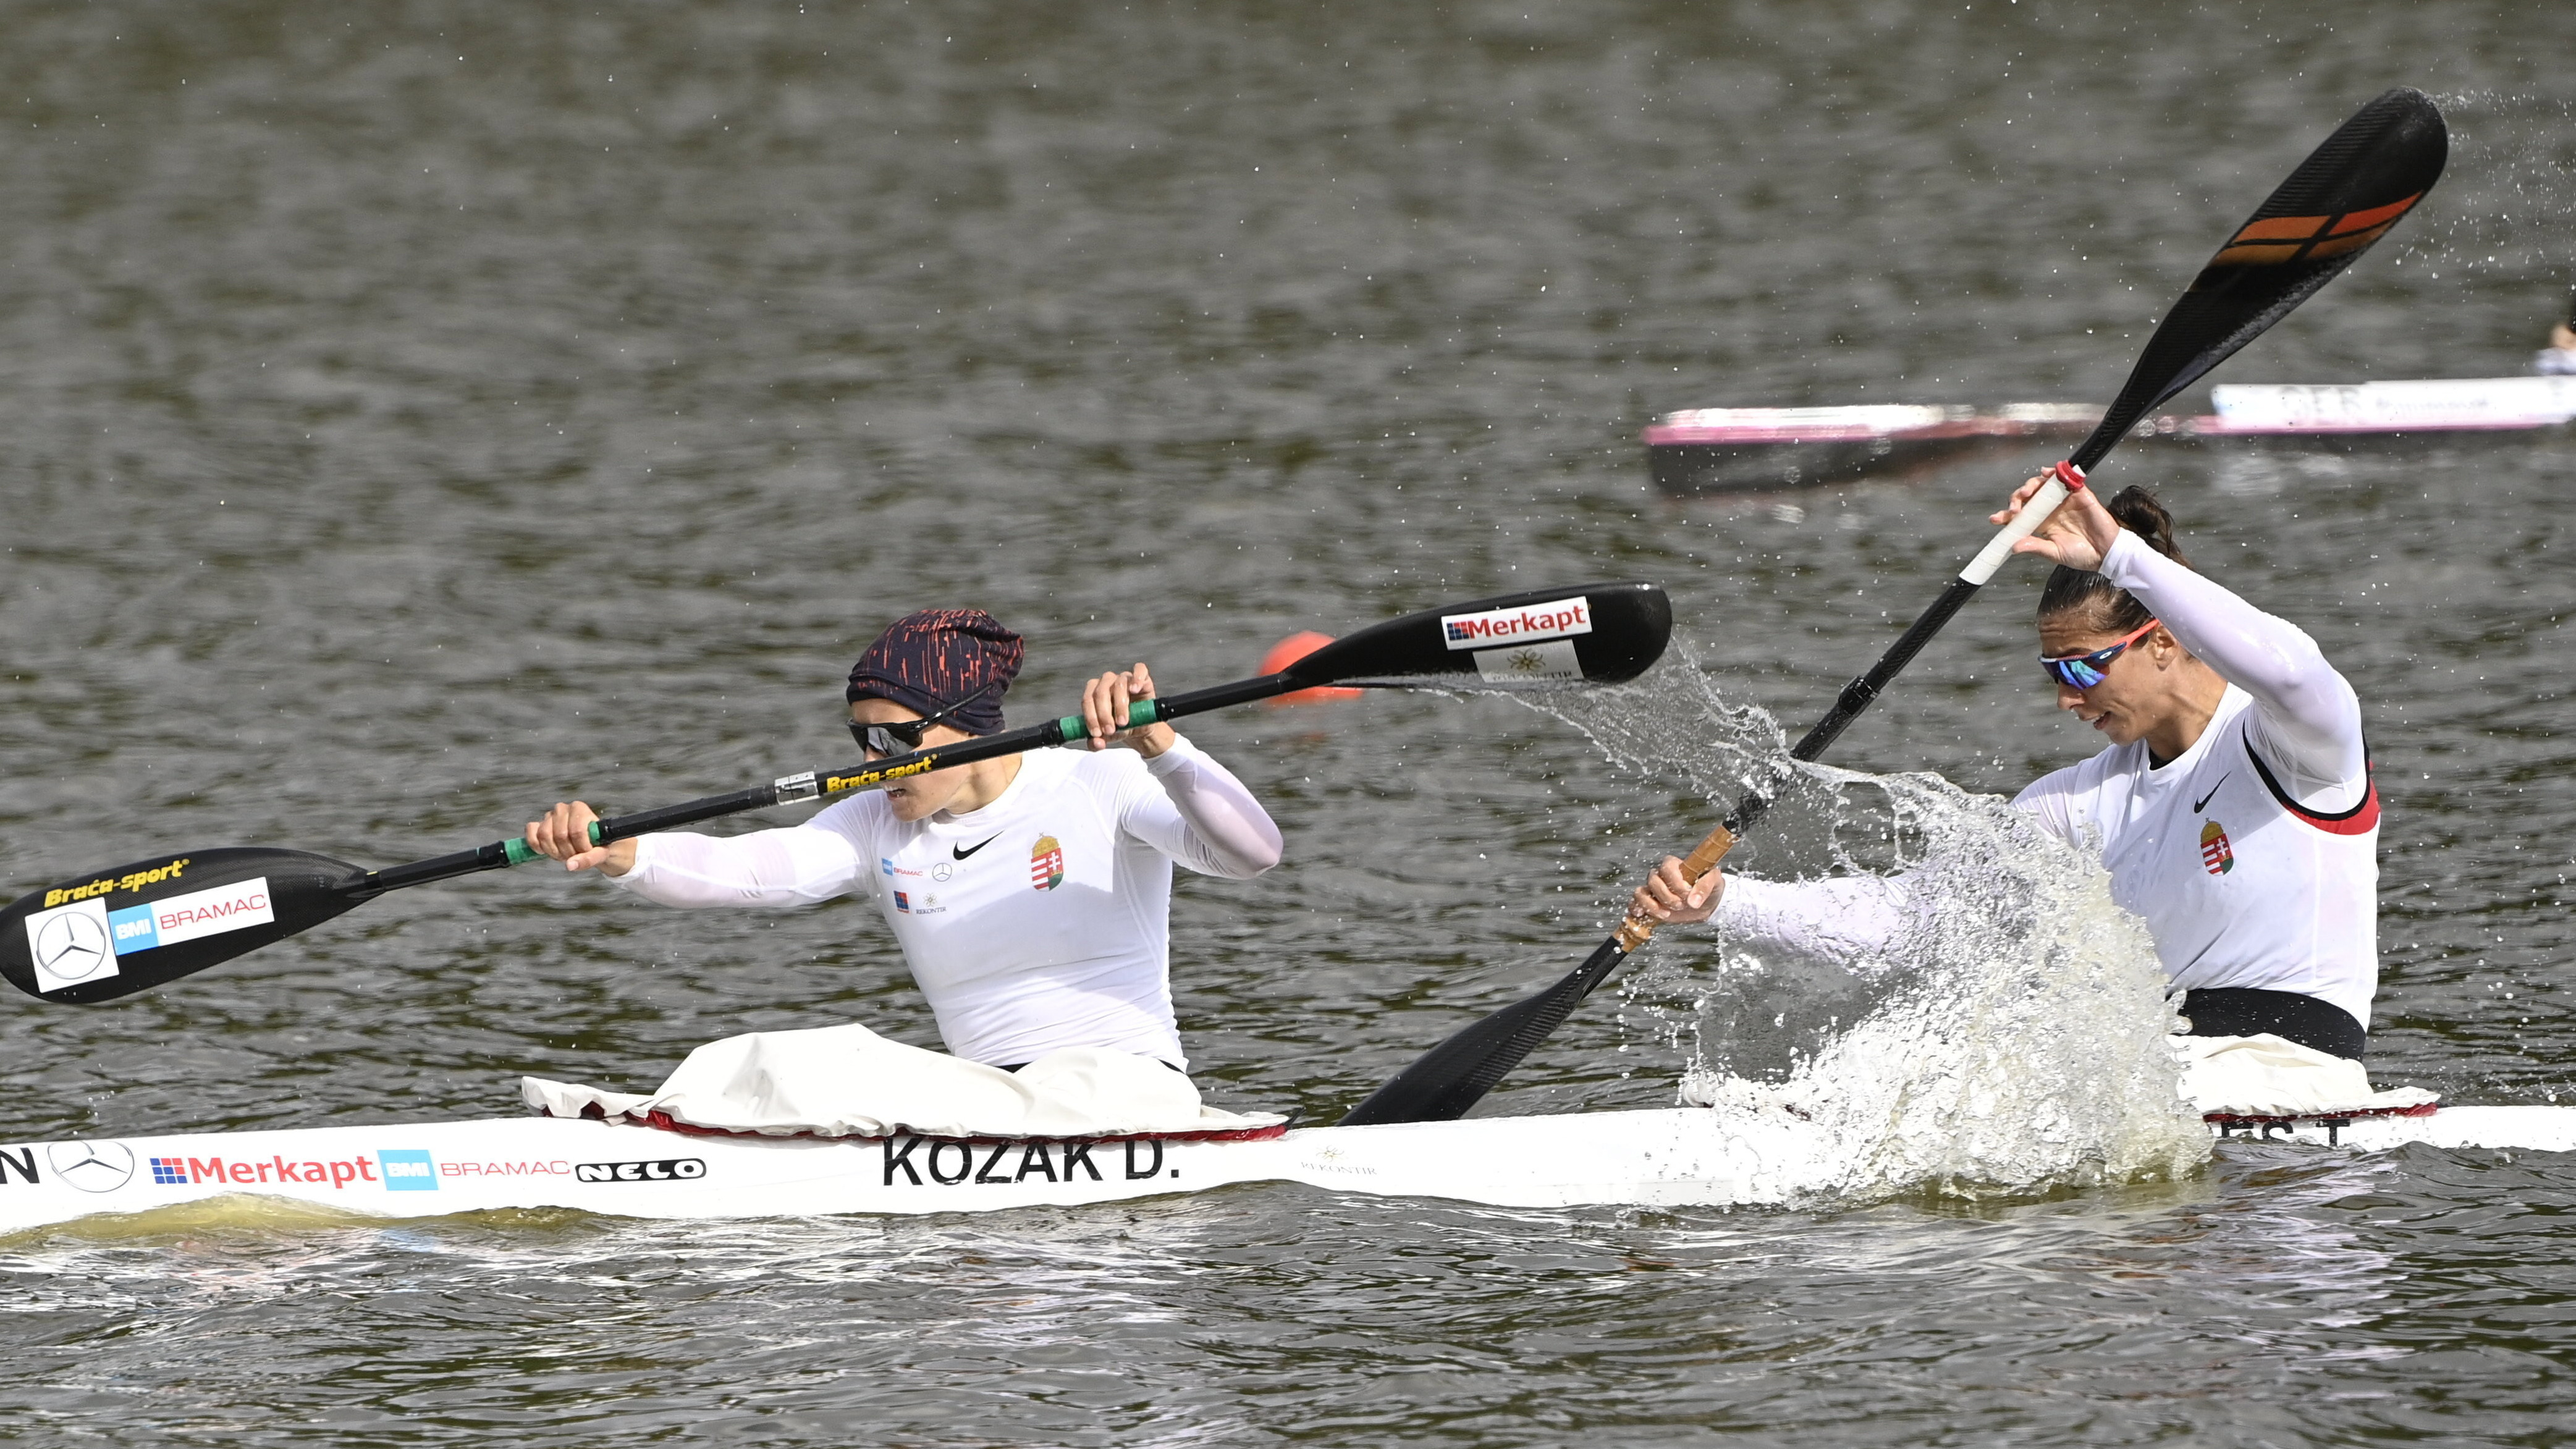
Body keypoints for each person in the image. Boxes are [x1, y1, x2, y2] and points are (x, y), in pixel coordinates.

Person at [1631, 479, 2381, 1060]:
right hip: (2167, 1078)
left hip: (2291, 1067)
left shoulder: (2293, 746)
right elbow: (1914, 917)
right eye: (2050, 672)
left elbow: (2289, 667)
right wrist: (1726, 900)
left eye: (2081, 670)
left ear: (2162, 640)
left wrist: (2122, 557)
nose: (2063, 699)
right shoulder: (2074, 802)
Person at [523, 607, 1284, 1078]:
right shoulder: (874, 822)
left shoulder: (1100, 781)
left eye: (894, 737)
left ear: (970, 722)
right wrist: (620, 853)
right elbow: (746, 869)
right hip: (995, 1106)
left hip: (1121, 1090)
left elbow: (1252, 854)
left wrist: (1163, 745)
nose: (871, 761)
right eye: (861, 738)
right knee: (775, 1058)